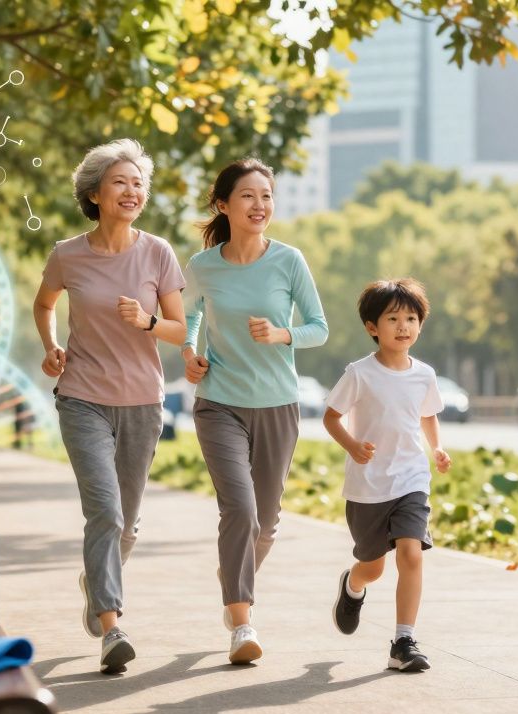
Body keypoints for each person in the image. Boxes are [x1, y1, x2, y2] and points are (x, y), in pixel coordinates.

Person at [33, 139, 188, 675]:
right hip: (82, 398)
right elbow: (44, 302)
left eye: (138, 183)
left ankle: (96, 582)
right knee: (105, 511)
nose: (131, 191)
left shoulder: (157, 252)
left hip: (142, 401)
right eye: (120, 182)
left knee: (127, 525)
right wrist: (51, 346)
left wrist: (147, 322)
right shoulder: (67, 254)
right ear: (95, 194)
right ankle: (111, 625)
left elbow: (181, 329)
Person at [183, 158, 328, 665]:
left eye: (266, 195)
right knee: (239, 511)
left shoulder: (289, 260)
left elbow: (319, 327)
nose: (259, 205)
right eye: (247, 195)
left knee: (265, 524)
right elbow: (189, 315)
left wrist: (283, 333)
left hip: (277, 404)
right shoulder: (203, 266)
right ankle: (241, 622)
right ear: (223, 205)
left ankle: (233, 576)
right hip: (219, 402)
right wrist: (189, 352)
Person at [322, 278, 450, 673]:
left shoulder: (424, 374)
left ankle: (403, 641)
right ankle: (353, 585)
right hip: (368, 486)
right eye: (392, 319)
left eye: (411, 318)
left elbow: (427, 414)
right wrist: (352, 445)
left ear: (420, 325)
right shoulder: (359, 373)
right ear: (372, 327)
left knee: (411, 553)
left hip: (411, 478)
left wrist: (437, 448)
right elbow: (331, 417)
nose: (403, 326)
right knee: (373, 567)